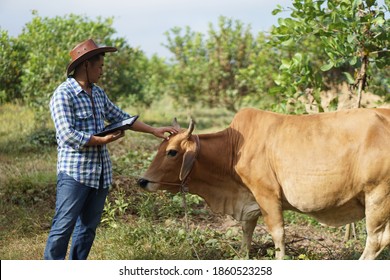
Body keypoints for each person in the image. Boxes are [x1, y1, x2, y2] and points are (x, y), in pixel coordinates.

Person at [44, 38, 177, 260]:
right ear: (86, 65)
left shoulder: (98, 93)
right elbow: (67, 134)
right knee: (62, 228)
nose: (102, 71)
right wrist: (100, 141)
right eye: (100, 66)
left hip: (100, 175)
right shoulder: (63, 94)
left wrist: (153, 130)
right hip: (75, 174)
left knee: (87, 229)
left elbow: (122, 118)